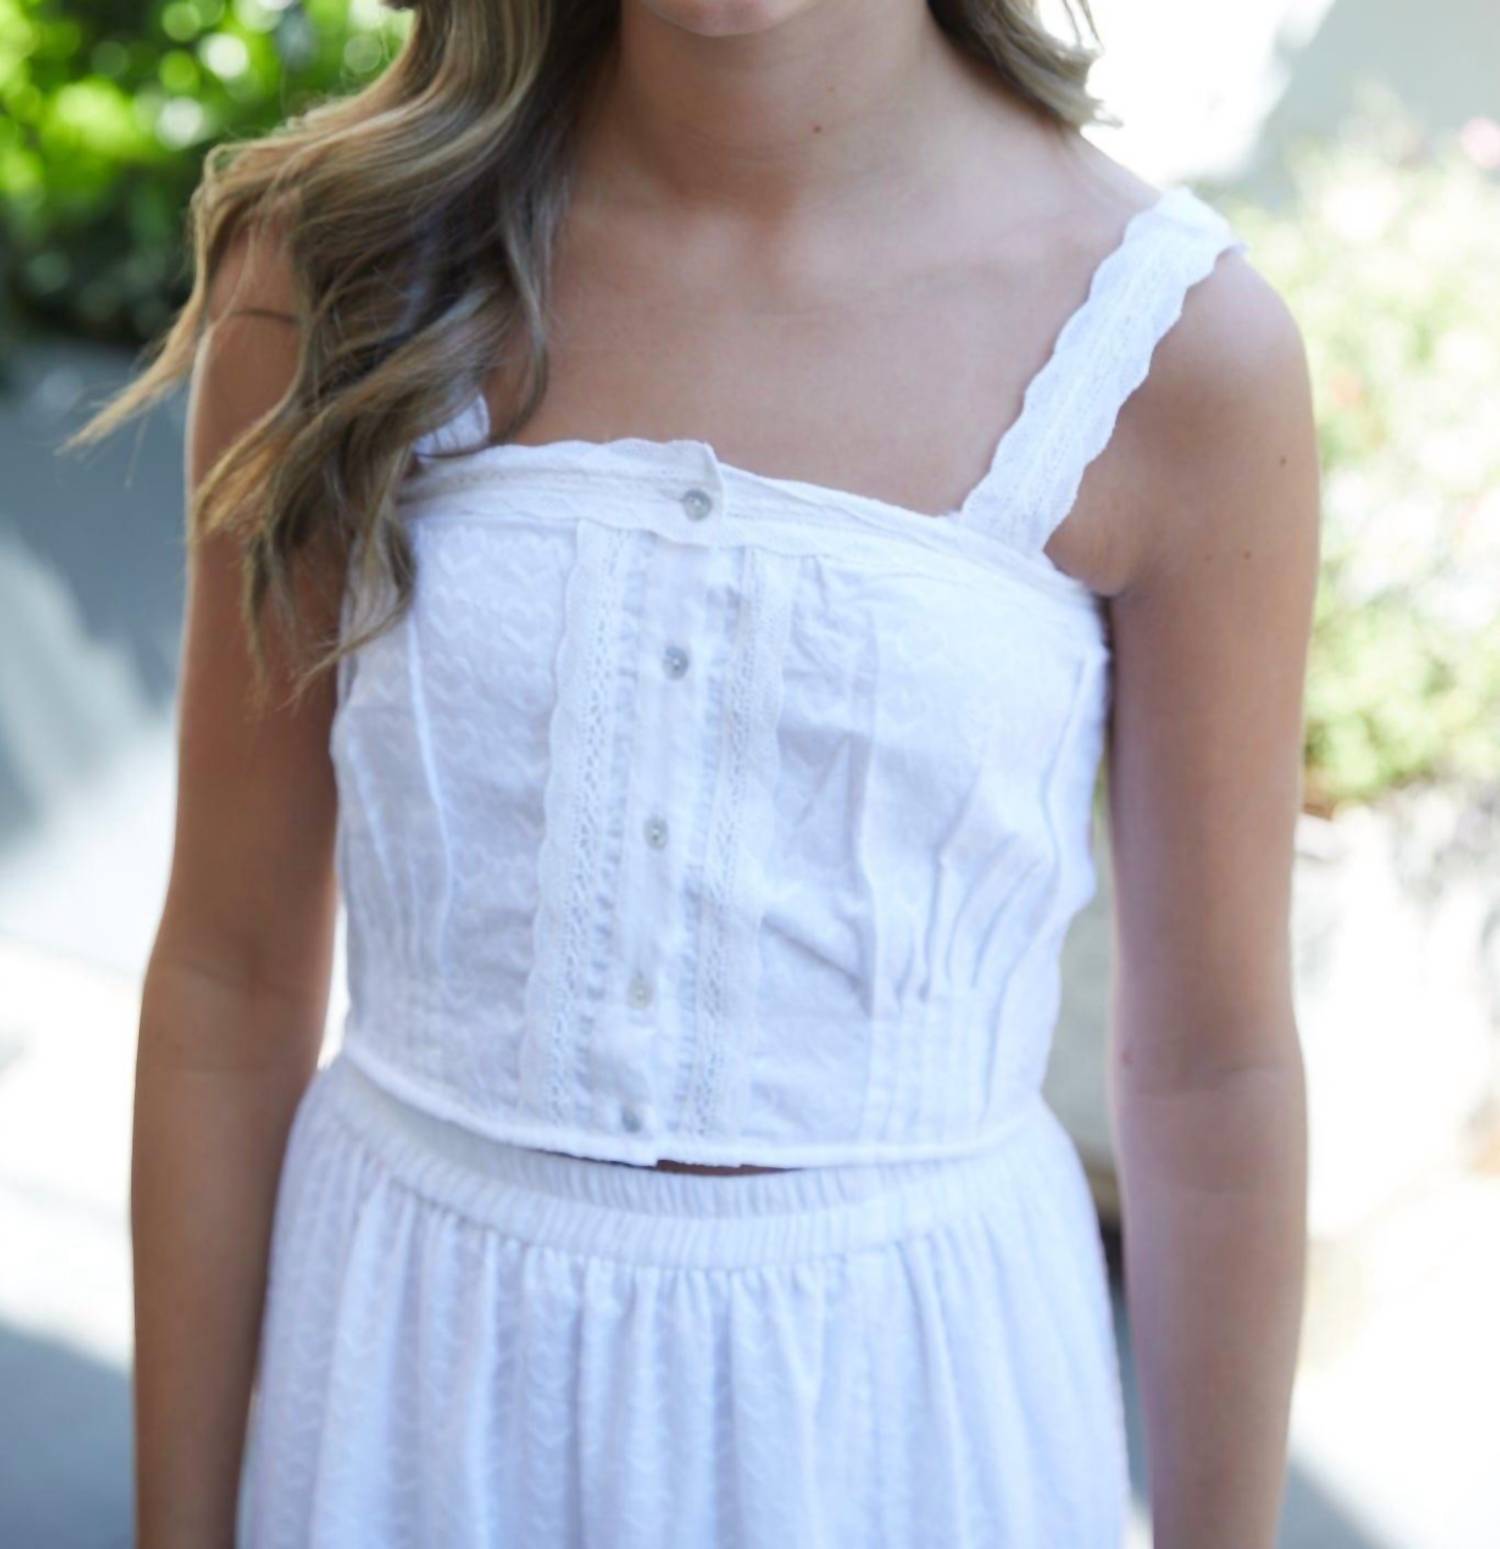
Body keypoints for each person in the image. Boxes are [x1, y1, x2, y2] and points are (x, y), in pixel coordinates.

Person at [80, 0, 1317, 1542]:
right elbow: (229, 975)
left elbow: (1212, 1072)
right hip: (406, 1401)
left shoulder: (1177, 353)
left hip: (908, 1434)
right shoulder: (340, 272)